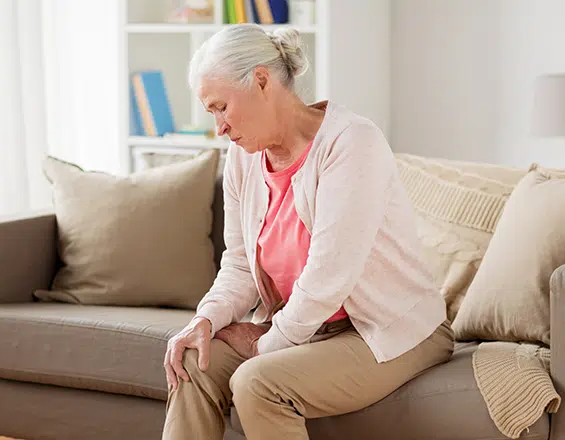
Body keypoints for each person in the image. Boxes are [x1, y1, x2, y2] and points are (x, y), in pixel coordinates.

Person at [162, 24, 454, 440]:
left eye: (220, 107)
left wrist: (265, 345)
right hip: (309, 328)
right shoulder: (243, 159)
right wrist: (205, 320)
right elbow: (241, 265)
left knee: (258, 382)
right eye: (212, 113)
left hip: (387, 331)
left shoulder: (351, 142)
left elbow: (329, 276)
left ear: (261, 80)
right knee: (194, 359)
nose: (219, 128)